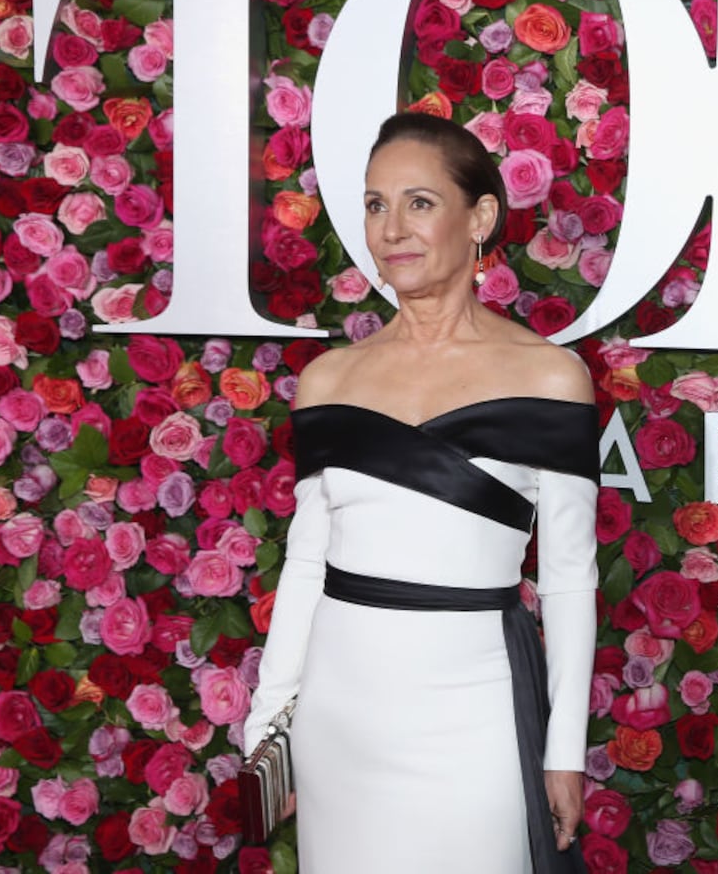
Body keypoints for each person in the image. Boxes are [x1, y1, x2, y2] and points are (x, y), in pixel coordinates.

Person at [243, 111, 599, 873]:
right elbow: (306, 565)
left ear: (480, 219)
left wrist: (562, 750)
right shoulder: (329, 380)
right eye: (375, 205)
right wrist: (268, 725)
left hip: (474, 716)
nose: (392, 229)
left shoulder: (550, 376)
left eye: (419, 203)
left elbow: (569, 580)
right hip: (338, 722)